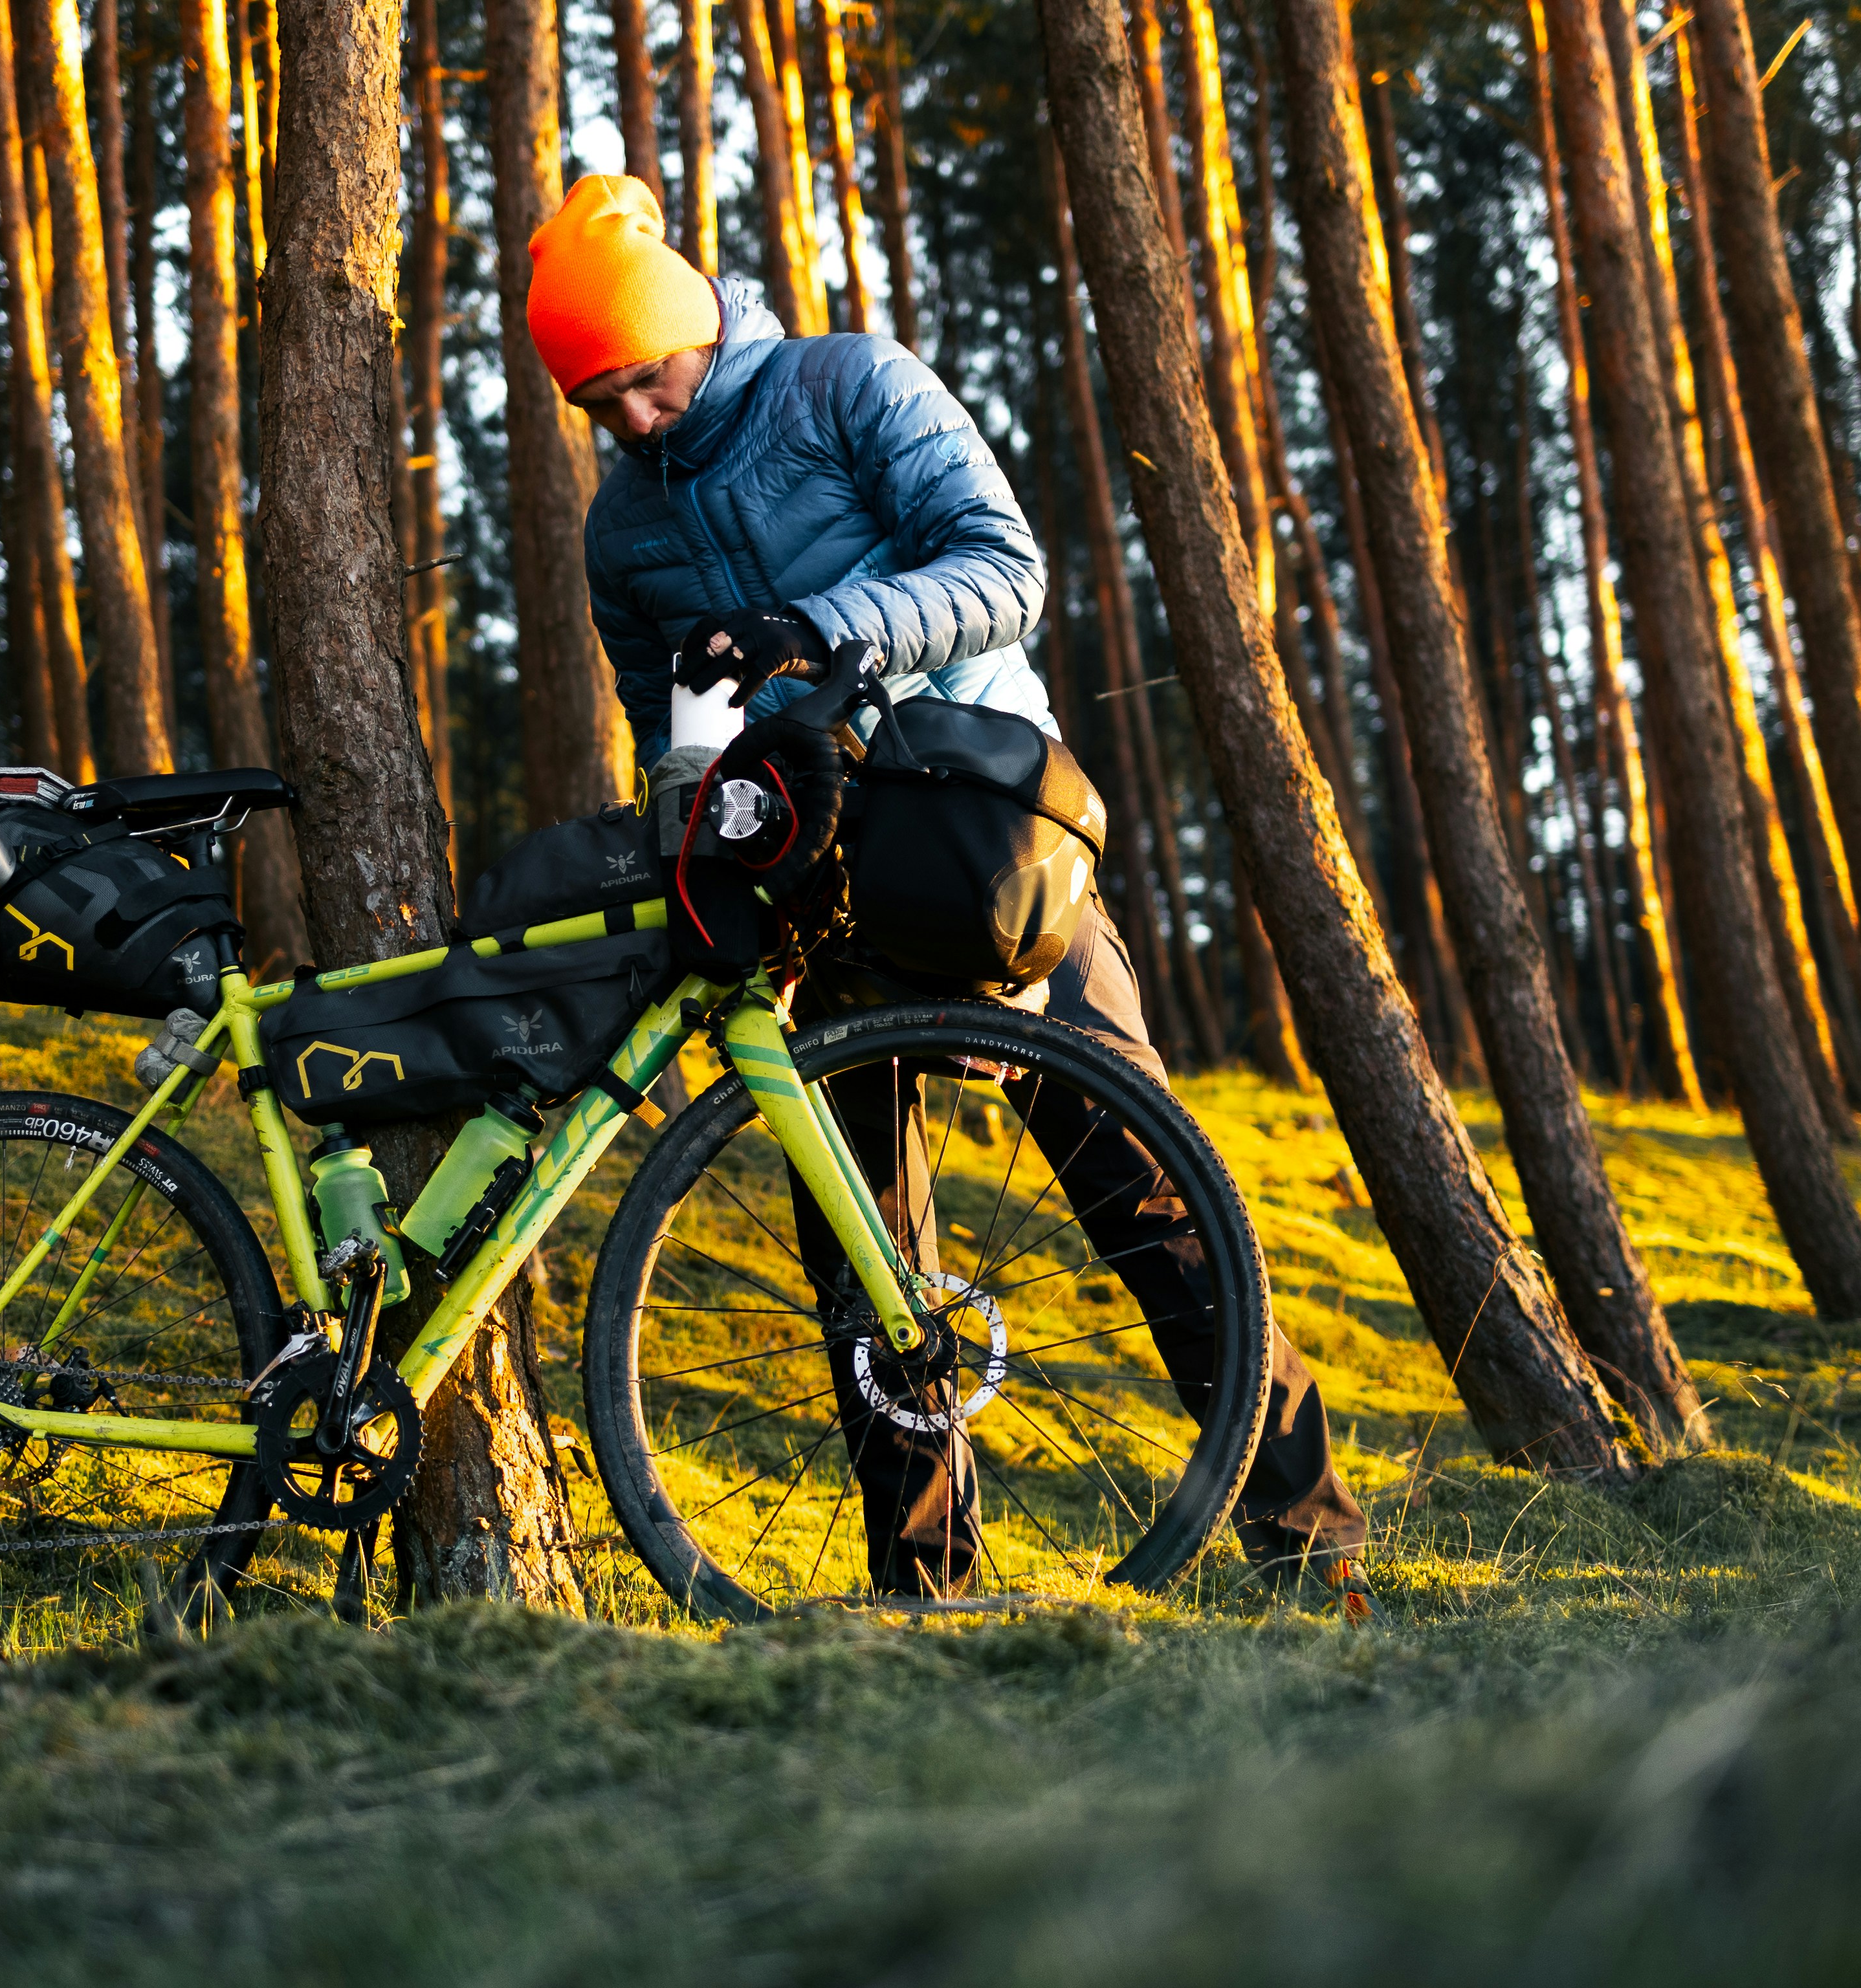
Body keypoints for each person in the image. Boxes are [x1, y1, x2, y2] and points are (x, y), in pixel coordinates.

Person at [525, 175, 1369, 1599]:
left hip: (976, 839)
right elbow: (656, 714)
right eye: (597, 403)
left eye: (644, 383)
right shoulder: (621, 533)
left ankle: (1309, 1546)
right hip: (811, 894)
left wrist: (810, 631)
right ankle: (927, 1592)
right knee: (866, 1267)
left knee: (1152, 1196)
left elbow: (1004, 571)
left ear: (691, 326)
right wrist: (703, 872)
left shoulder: (846, 386)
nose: (631, 423)